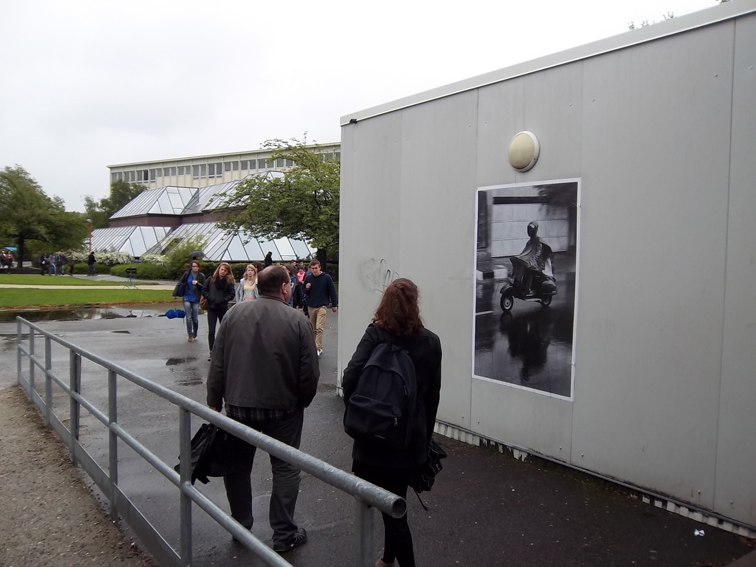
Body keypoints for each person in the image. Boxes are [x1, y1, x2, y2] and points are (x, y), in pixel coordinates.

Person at [206, 266, 319, 553]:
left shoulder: (234, 314)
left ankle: (241, 527)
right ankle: (283, 535)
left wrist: (213, 400)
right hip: (283, 410)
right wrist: (301, 401)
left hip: (239, 407)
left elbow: (218, 361)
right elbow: (309, 373)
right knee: (285, 468)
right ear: (284, 287)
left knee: (238, 468)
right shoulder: (297, 320)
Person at [342, 278, 442, 567]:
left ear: (384, 303)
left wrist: (359, 413)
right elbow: (431, 397)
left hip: (370, 436)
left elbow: (350, 377)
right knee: (394, 503)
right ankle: (387, 559)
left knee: (390, 509)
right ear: (415, 304)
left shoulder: (376, 333)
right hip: (406, 439)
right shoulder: (430, 342)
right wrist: (424, 439)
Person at [303, 260, 337, 356]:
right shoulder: (308, 278)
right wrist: (307, 288)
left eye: (316, 268)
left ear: (320, 267)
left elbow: (332, 291)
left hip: (322, 305)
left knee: (319, 327)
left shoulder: (326, 278)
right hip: (311, 305)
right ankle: (314, 346)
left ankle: (318, 347)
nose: (314, 270)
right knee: (313, 328)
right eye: (312, 269)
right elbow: (304, 291)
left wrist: (334, 304)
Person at [202, 262, 235, 358]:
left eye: (225, 270)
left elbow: (232, 294)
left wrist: (224, 300)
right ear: (218, 269)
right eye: (221, 269)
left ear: (227, 272)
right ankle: (212, 351)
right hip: (212, 308)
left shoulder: (229, 282)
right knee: (211, 330)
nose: (222, 272)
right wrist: (210, 297)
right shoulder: (211, 279)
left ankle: (224, 350)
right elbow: (204, 290)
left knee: (224, 329)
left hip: (222, 308)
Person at [176, 260, 205, 342]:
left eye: (196, 266)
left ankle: (195, 331)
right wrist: (176, 293)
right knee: (188, 317)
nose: (195, 268)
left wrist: (197, 284)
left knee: (195, 318)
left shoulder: (201, 276)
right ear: (191, 267)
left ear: (198, 267)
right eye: (193, 266)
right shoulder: (187, 274)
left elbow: (204, 287)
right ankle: (190, 334)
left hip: (196, 298)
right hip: (187, 297)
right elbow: (180, 283)